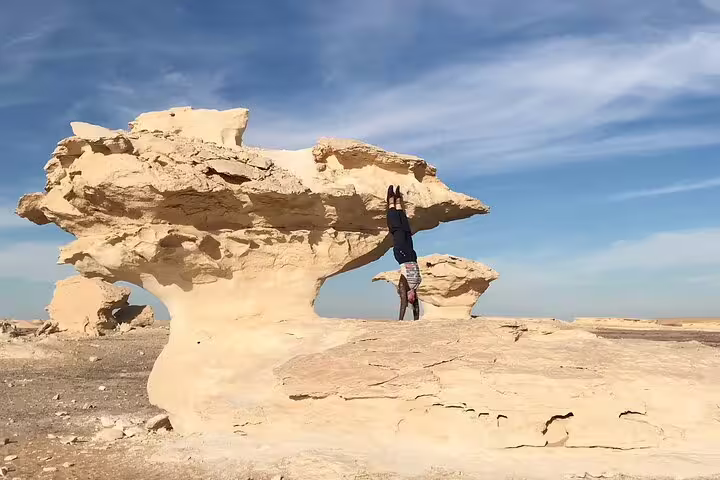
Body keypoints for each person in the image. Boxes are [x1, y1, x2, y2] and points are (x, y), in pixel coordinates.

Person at [386, 185, 421, 320]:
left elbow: (403, 305)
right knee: (406, 230)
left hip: (402, 255)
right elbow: (416, 310)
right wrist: (416, 317)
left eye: (409, 300)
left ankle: (391, 201)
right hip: (412, 256)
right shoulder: (416, 286)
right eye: (413, 300)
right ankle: (399, 201)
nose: (412, 299)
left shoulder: (403, 286)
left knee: (397, 229)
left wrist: (400, 320)